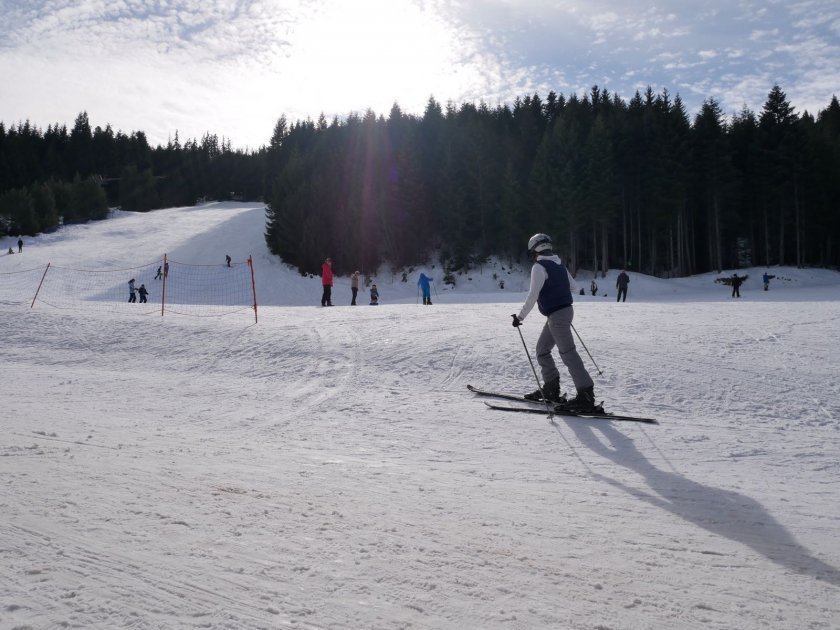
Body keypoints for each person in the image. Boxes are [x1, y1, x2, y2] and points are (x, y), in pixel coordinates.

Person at [512, 233, 596, 409]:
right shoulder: (559, 265)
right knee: (542, 350)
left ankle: (586, 395)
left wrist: (520, 317)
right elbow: (574, 287)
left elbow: (533, 295)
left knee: (568, 354)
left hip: (558, 316)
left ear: (535, 249)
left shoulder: (539, 267)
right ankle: (551, 389)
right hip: (561, 314)